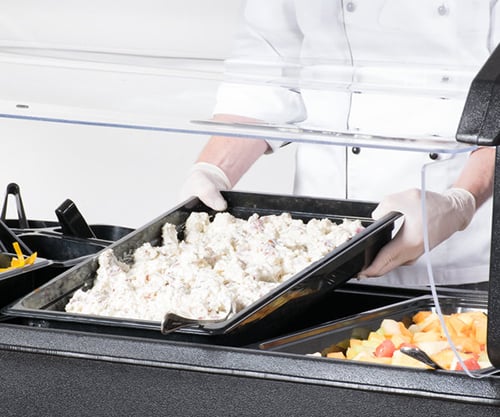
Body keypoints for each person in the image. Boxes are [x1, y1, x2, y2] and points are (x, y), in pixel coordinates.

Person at [180, 0, 496, 288]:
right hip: (317, 255)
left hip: (453, 262)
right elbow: (264, 72)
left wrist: (460, 203)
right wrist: (212, 171)